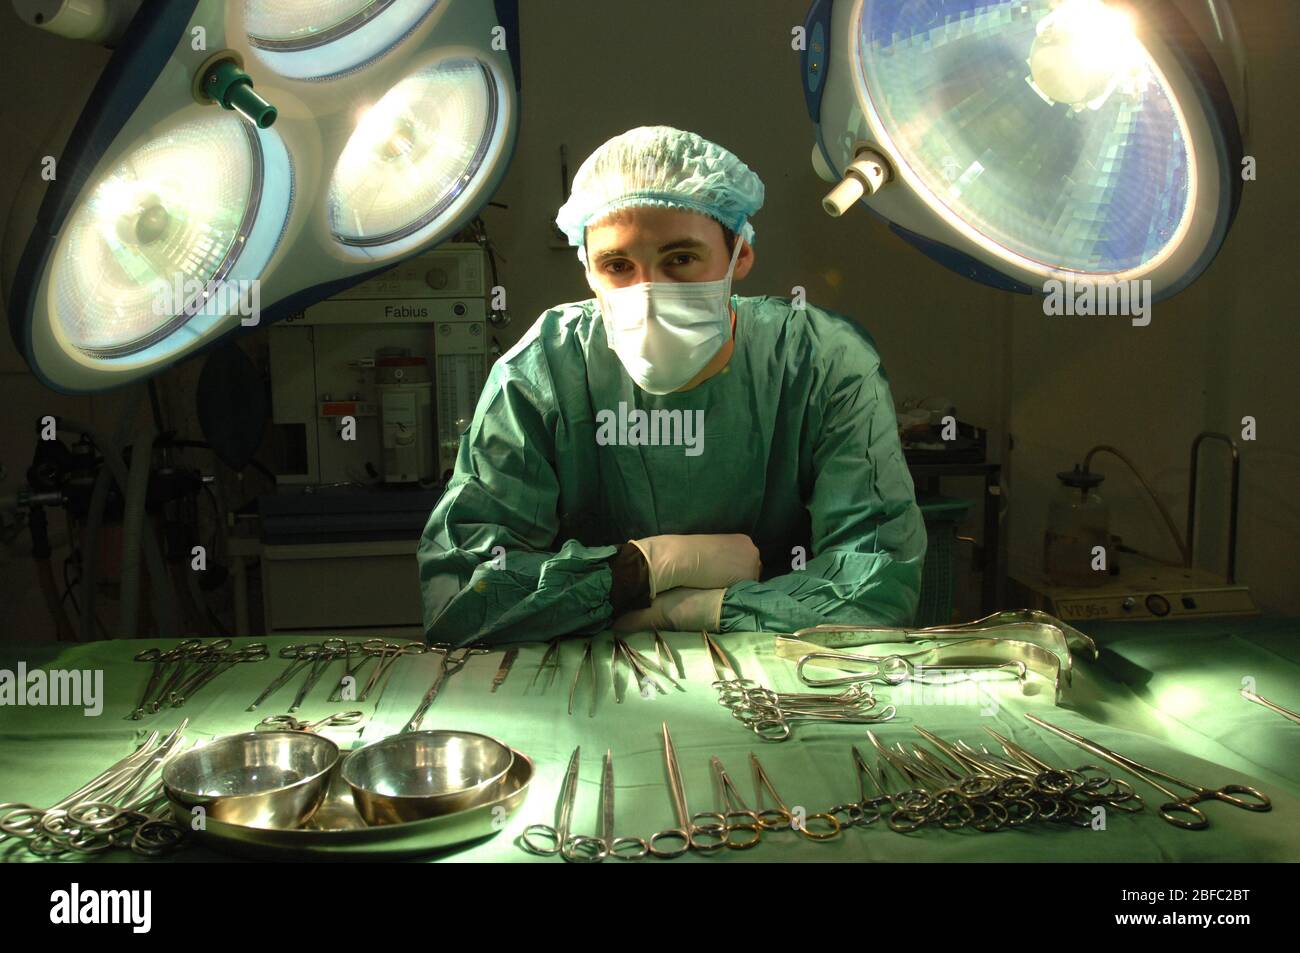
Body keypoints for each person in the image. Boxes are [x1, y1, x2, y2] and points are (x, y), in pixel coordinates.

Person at [417, 126, 926, 645]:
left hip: (784, 677)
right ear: (588, 272)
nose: (649, 292)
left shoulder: (823, 364)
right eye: (617, 266)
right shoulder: (543, 369)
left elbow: (877, 592)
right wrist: (642, 568)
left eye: (680, 259)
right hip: (584, 688)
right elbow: (461, 597)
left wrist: (693, 609)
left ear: (739, 257)